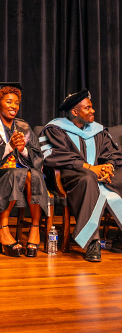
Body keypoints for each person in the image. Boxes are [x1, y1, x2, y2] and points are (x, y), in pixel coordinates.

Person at [40, 89, 122, 262]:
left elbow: (113, 153)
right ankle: (92, 242)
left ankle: (120, 238)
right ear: (74, 112)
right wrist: (90, 168)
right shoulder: (55, 129)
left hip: (97, 174)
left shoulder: (98, 130)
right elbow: (51, 156)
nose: (92, 111)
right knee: (87, 178)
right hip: (72, 176)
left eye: (91, 107)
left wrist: (108, 166)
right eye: (88, 108)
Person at [0, 83, 49, 257]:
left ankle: (35, 228)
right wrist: (8, 147)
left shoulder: (24, 127)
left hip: (23, 175)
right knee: (18, 173)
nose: (13, 106)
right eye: (9, 102)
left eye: (16, 103)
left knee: (34, 174)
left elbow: (37, 156)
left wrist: (23, 149)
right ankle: (3, 227)